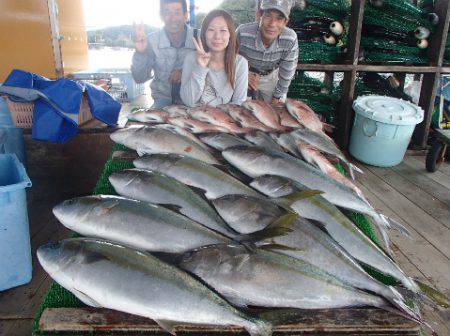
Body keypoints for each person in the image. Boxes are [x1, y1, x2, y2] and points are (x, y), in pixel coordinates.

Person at [131, 0, 198, 108]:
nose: (172, 18)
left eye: (177, 12)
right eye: (167, 12)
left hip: (193, 101)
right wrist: (140, 53)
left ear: (185, 15)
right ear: (161, 16)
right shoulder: (151, 41)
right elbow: (139, 78)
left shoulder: (199, 37)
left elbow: (214, 68)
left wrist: (185, 72)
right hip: (162, 101)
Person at [180, 10, 248, 107]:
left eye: (223, 30)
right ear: (204, 33)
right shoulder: (190, 58)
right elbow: (189, 101)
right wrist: (200, 68)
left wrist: (217, 118)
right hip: (194, 118)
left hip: (224, 119)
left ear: (230, 35)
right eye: (211, 30)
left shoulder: (241, 63)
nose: (217, 36)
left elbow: (239, 102)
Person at [237, 0, 299, 104]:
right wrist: (243, 74)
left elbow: (287, 73)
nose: (272, 24)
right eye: (268, 16)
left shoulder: (290, 39)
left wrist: (277, 97)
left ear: (286, 22)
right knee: (240, 109)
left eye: (279, 18)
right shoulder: (242, 32)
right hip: (245, 73)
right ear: (259, 16)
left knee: (276, 112)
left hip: (272, 76)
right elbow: (228, 57)